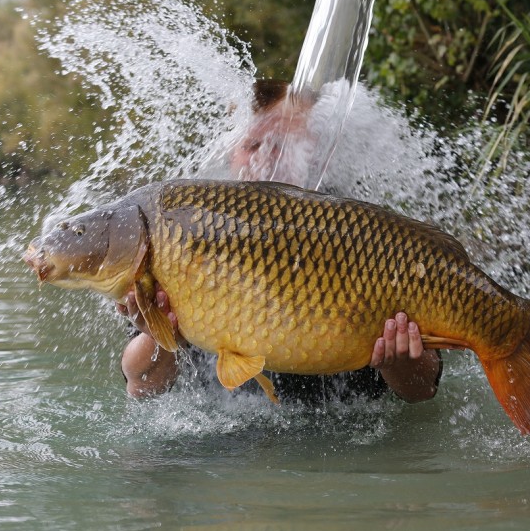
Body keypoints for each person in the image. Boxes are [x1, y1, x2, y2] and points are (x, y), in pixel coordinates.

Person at [118, 81, 443, 404]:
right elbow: (141, 388)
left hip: (350, 433)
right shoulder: (191, 231)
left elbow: (422, 389)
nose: (262, 160)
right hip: (225, 439)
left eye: (279, 146)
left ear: (315, 154)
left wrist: (399, 359)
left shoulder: (360, 233)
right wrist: (162, 333)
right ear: (232, 153)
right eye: (253, 145)